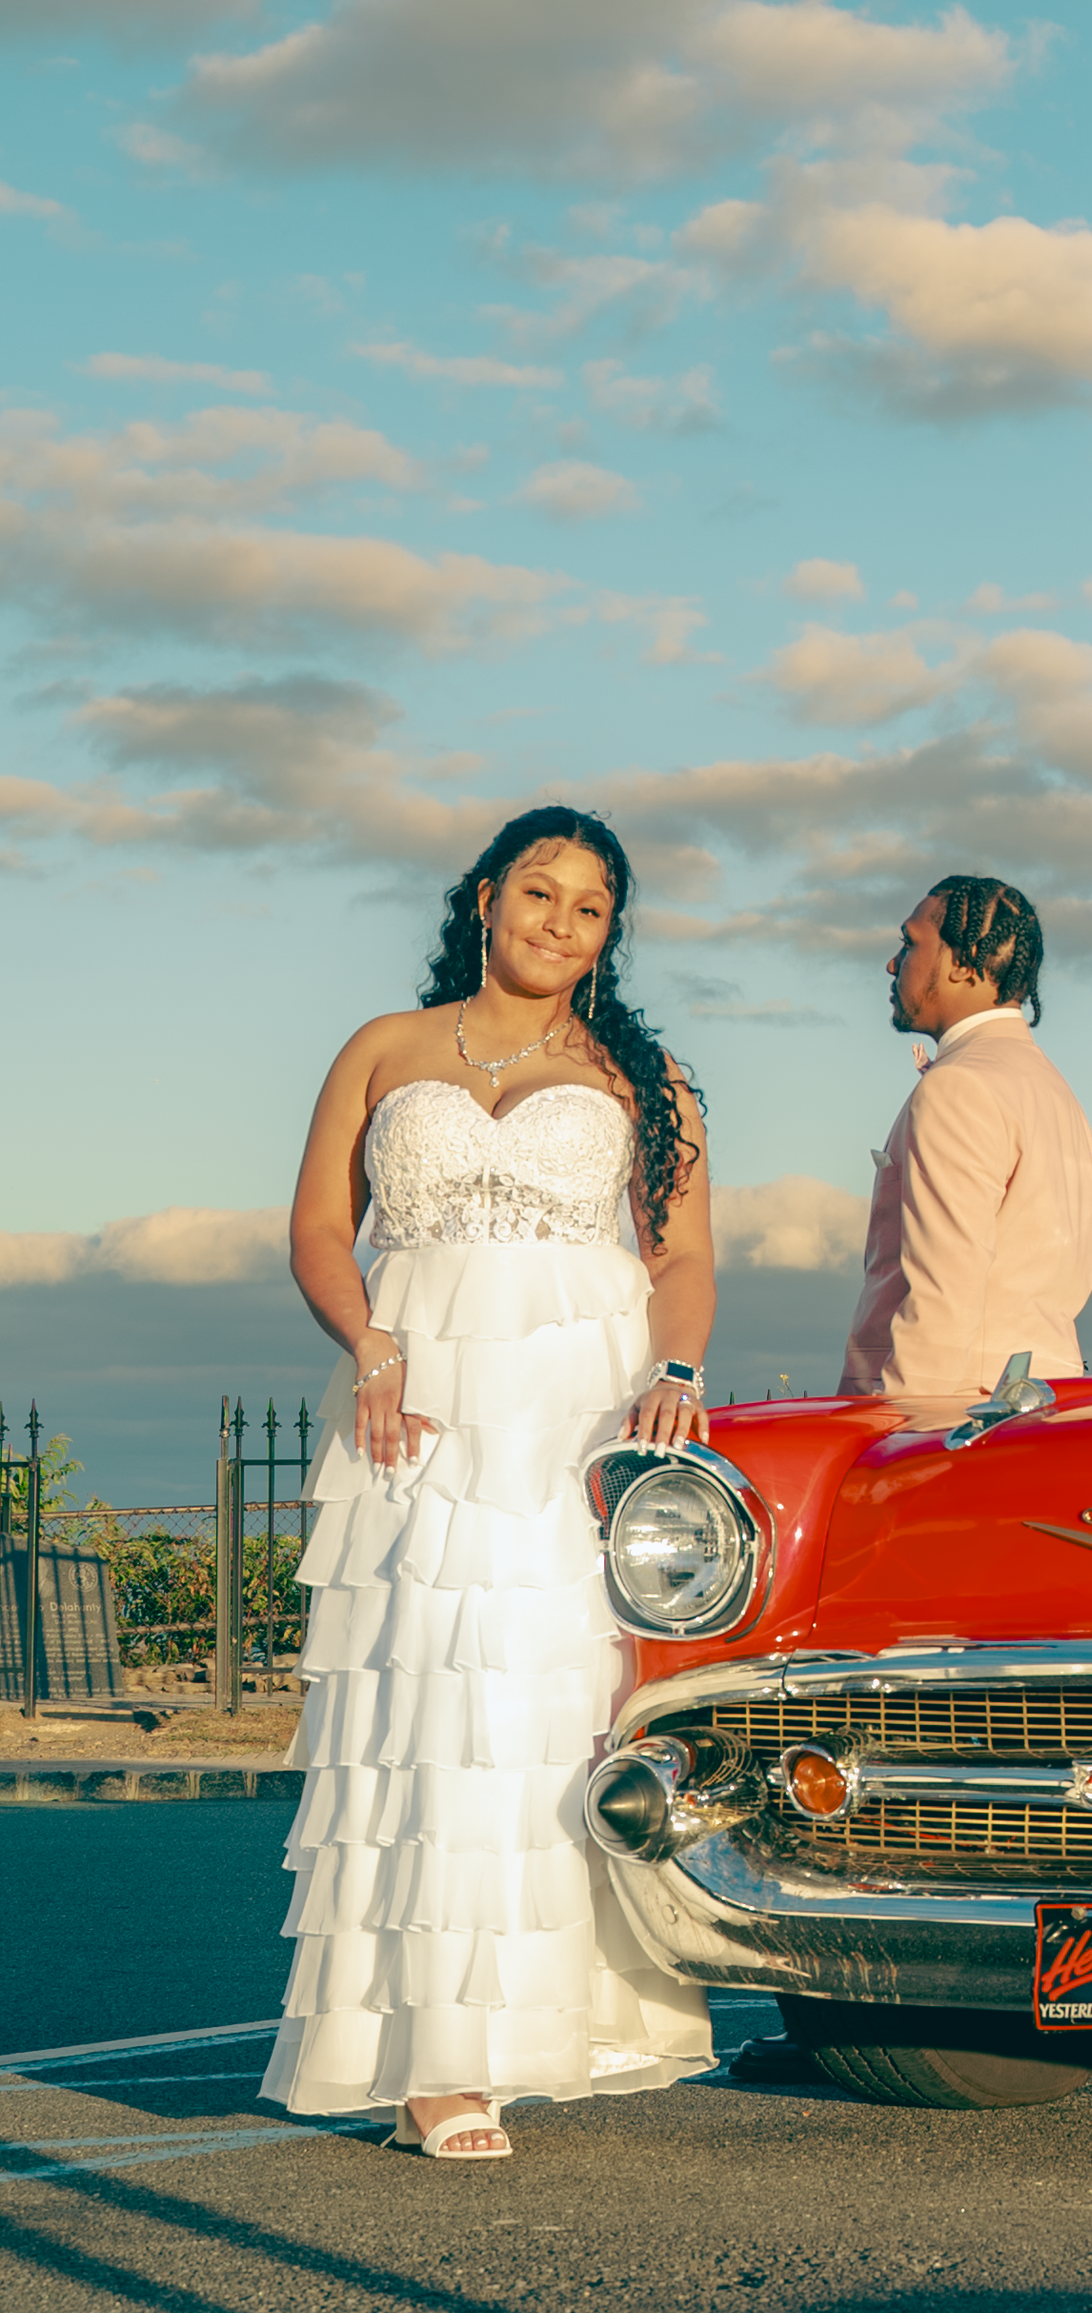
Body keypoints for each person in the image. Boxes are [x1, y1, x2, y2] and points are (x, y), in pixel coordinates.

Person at [263, 805, 716, 2161]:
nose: (557, 923)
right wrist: (370, 1336)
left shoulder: (647, 1076)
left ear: (608, 936)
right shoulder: (384, 1051)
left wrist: (679, 1365)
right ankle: (433, 2058)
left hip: (575, 1413)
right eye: (538, 892)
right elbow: (315, 1229)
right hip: (419, 1414)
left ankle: (554, 2024)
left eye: (588, 908)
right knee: (421, 1703)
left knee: (549, 1708)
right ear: (482, 897)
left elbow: (682, 1256)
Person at [840, 875, 1092, 1399]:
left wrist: (901, 1441)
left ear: (962, 962)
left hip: (959, 1420)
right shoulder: (1056, 1093)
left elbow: (942, 1296)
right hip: (1048, 1404)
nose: (894, 963)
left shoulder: (958, 1086)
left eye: (910, 943)